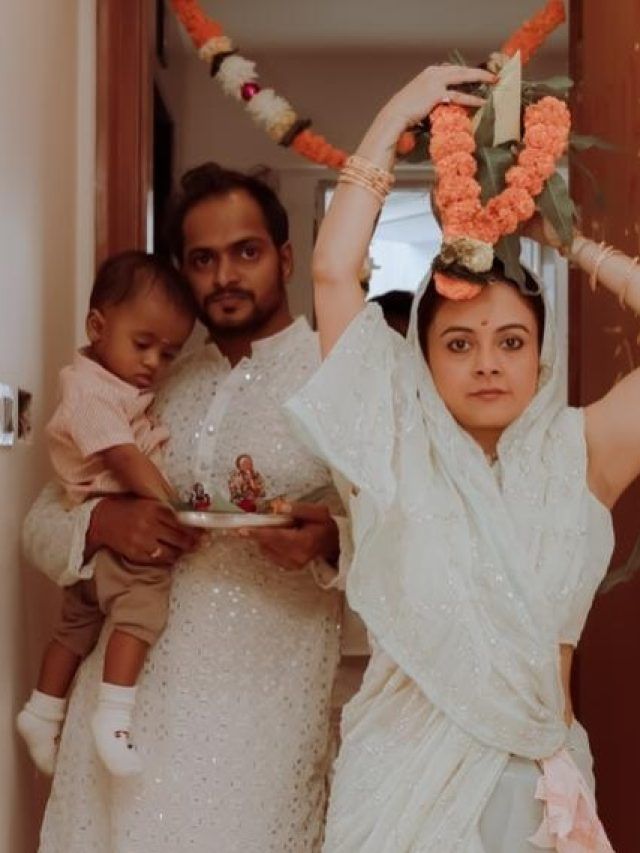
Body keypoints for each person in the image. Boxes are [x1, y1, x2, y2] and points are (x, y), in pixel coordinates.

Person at [284, 64, 634, 851]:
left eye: (511, 342)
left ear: (541, 355)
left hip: (536, 788)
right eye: (459, 344)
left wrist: (569, 241)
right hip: (395, 788)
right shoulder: (387, 447)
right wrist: (395, 117)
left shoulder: (583, 454)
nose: (487, 365)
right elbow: (333, 272)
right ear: (421, 359)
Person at [23, 164, 346, 852]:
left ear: (286, 258)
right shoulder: (149, 381)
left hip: (263, 716)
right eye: (202, 259)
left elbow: (413, 535)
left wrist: (333, 541)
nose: (225, 275)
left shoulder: (340, 379)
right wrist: (102, 523)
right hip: (126, 711)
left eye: (246, 252)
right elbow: (39, 526)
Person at [17, 252, 195, 779]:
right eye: (143, 345)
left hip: (92, 529)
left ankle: (42, 711)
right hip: (110, 529)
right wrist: (175, 511)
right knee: (142, 610)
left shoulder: (118, 387)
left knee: (75, 627)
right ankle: (114, 718)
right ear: (97, 327)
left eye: (168, 354)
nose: (153, 363)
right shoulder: (89, 390)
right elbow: (125, 459)